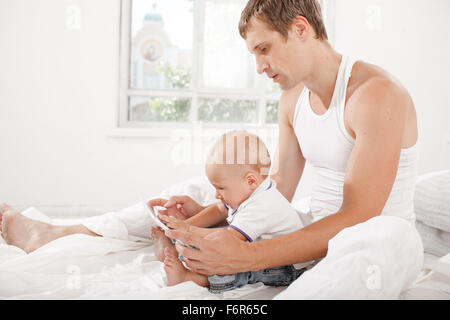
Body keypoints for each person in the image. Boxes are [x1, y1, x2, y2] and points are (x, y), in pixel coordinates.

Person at [0, 0, 423, 298]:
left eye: (263, 49)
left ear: (300, 28)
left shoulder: (374, 94)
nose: (259, 67)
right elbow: (277, 189)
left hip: (369, 238)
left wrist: (245, 255)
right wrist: (216, 211)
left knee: (381, 237)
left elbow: (357, 217)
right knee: (208, 187)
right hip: (311, 227)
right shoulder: (292, 97)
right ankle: (62, 232)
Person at [151, 130, 309, 293]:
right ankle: (173, 250)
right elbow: (218, 210)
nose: (216, 194)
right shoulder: (249, 191)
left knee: (232, 265)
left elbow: (228, 241)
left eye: (221, 188)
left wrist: (186, 231)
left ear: (251, 181)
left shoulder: (263, 205)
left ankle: (192, 278)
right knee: (208, 240)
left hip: (285, 267)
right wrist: (182, 225)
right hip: (256, 248)